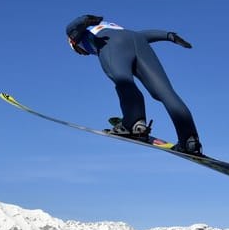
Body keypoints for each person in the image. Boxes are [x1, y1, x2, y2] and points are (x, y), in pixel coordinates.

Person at [66, 14, 202, 155]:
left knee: (124, 82)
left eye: (81, 52)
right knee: (165, 92)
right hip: (138, 41)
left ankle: (134, 123)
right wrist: (169, 36)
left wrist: (84, 19)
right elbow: (141, 35)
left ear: (74, 44)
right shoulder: (111, 26)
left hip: (113, 45)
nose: (84, 54)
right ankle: (190, 140)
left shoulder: (79, 37)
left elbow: (71, 28)